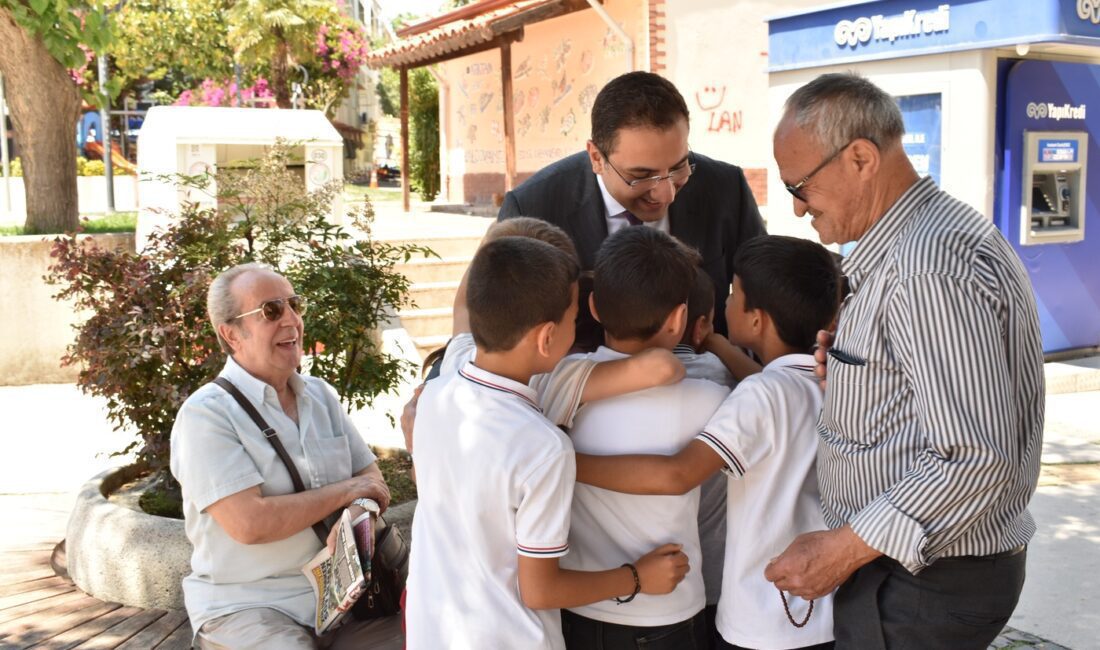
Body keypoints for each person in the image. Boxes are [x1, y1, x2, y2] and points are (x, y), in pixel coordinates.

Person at [764, 72, 1045, 649]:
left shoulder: (925, 268)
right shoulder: (927, 237)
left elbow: (974, 457)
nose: (796, 209)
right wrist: (854, 369)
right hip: (920, 572)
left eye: (800, 187)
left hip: (924, 580)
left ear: (861, 158)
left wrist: (842, 550)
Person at [405, 236, 690, 649]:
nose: (577, 332)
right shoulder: (543, 447)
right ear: (546, 338)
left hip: (434, 633)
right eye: (574, 320)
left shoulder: (439, 390)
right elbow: (539, 589)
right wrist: (637, 577)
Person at [574, 234, 842, 650]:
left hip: (760, 616)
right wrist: (714, 343)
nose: (724, 304)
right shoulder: (838, 387)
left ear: (756, 320)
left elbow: (678, 473)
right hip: (826, 608)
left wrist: (562, 461)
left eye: (734, 293)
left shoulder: (564, 384)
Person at [170, 263, 401, 649]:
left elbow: (373, 484)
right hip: (248, 605)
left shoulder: (321, 395)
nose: (291, 319)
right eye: (271, 311)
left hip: (344, 602)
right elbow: (250, 523)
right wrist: (349, 491)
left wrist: (358, 518)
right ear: (231, 334)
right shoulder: (206, 415)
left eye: (294, 305)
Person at [557, 227, 729, 649]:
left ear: (593, 306)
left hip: (576, 604)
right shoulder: (713, 402)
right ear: (679, 319)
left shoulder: (557, 385)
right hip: (665, 613)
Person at [499, 70, 765, 338]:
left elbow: (765, 301)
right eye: (641, 176)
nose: (666, 194)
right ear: (596, 158)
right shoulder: (533, 208)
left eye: (678, 167)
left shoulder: (726, 187)